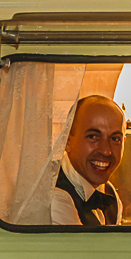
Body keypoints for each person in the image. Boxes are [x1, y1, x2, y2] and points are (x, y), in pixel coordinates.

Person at [51, 95, 125, 226]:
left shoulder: (109, 192)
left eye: (115, 139)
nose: (106, 150)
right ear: (67, 142)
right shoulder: (54, 195)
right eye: (93, 136)